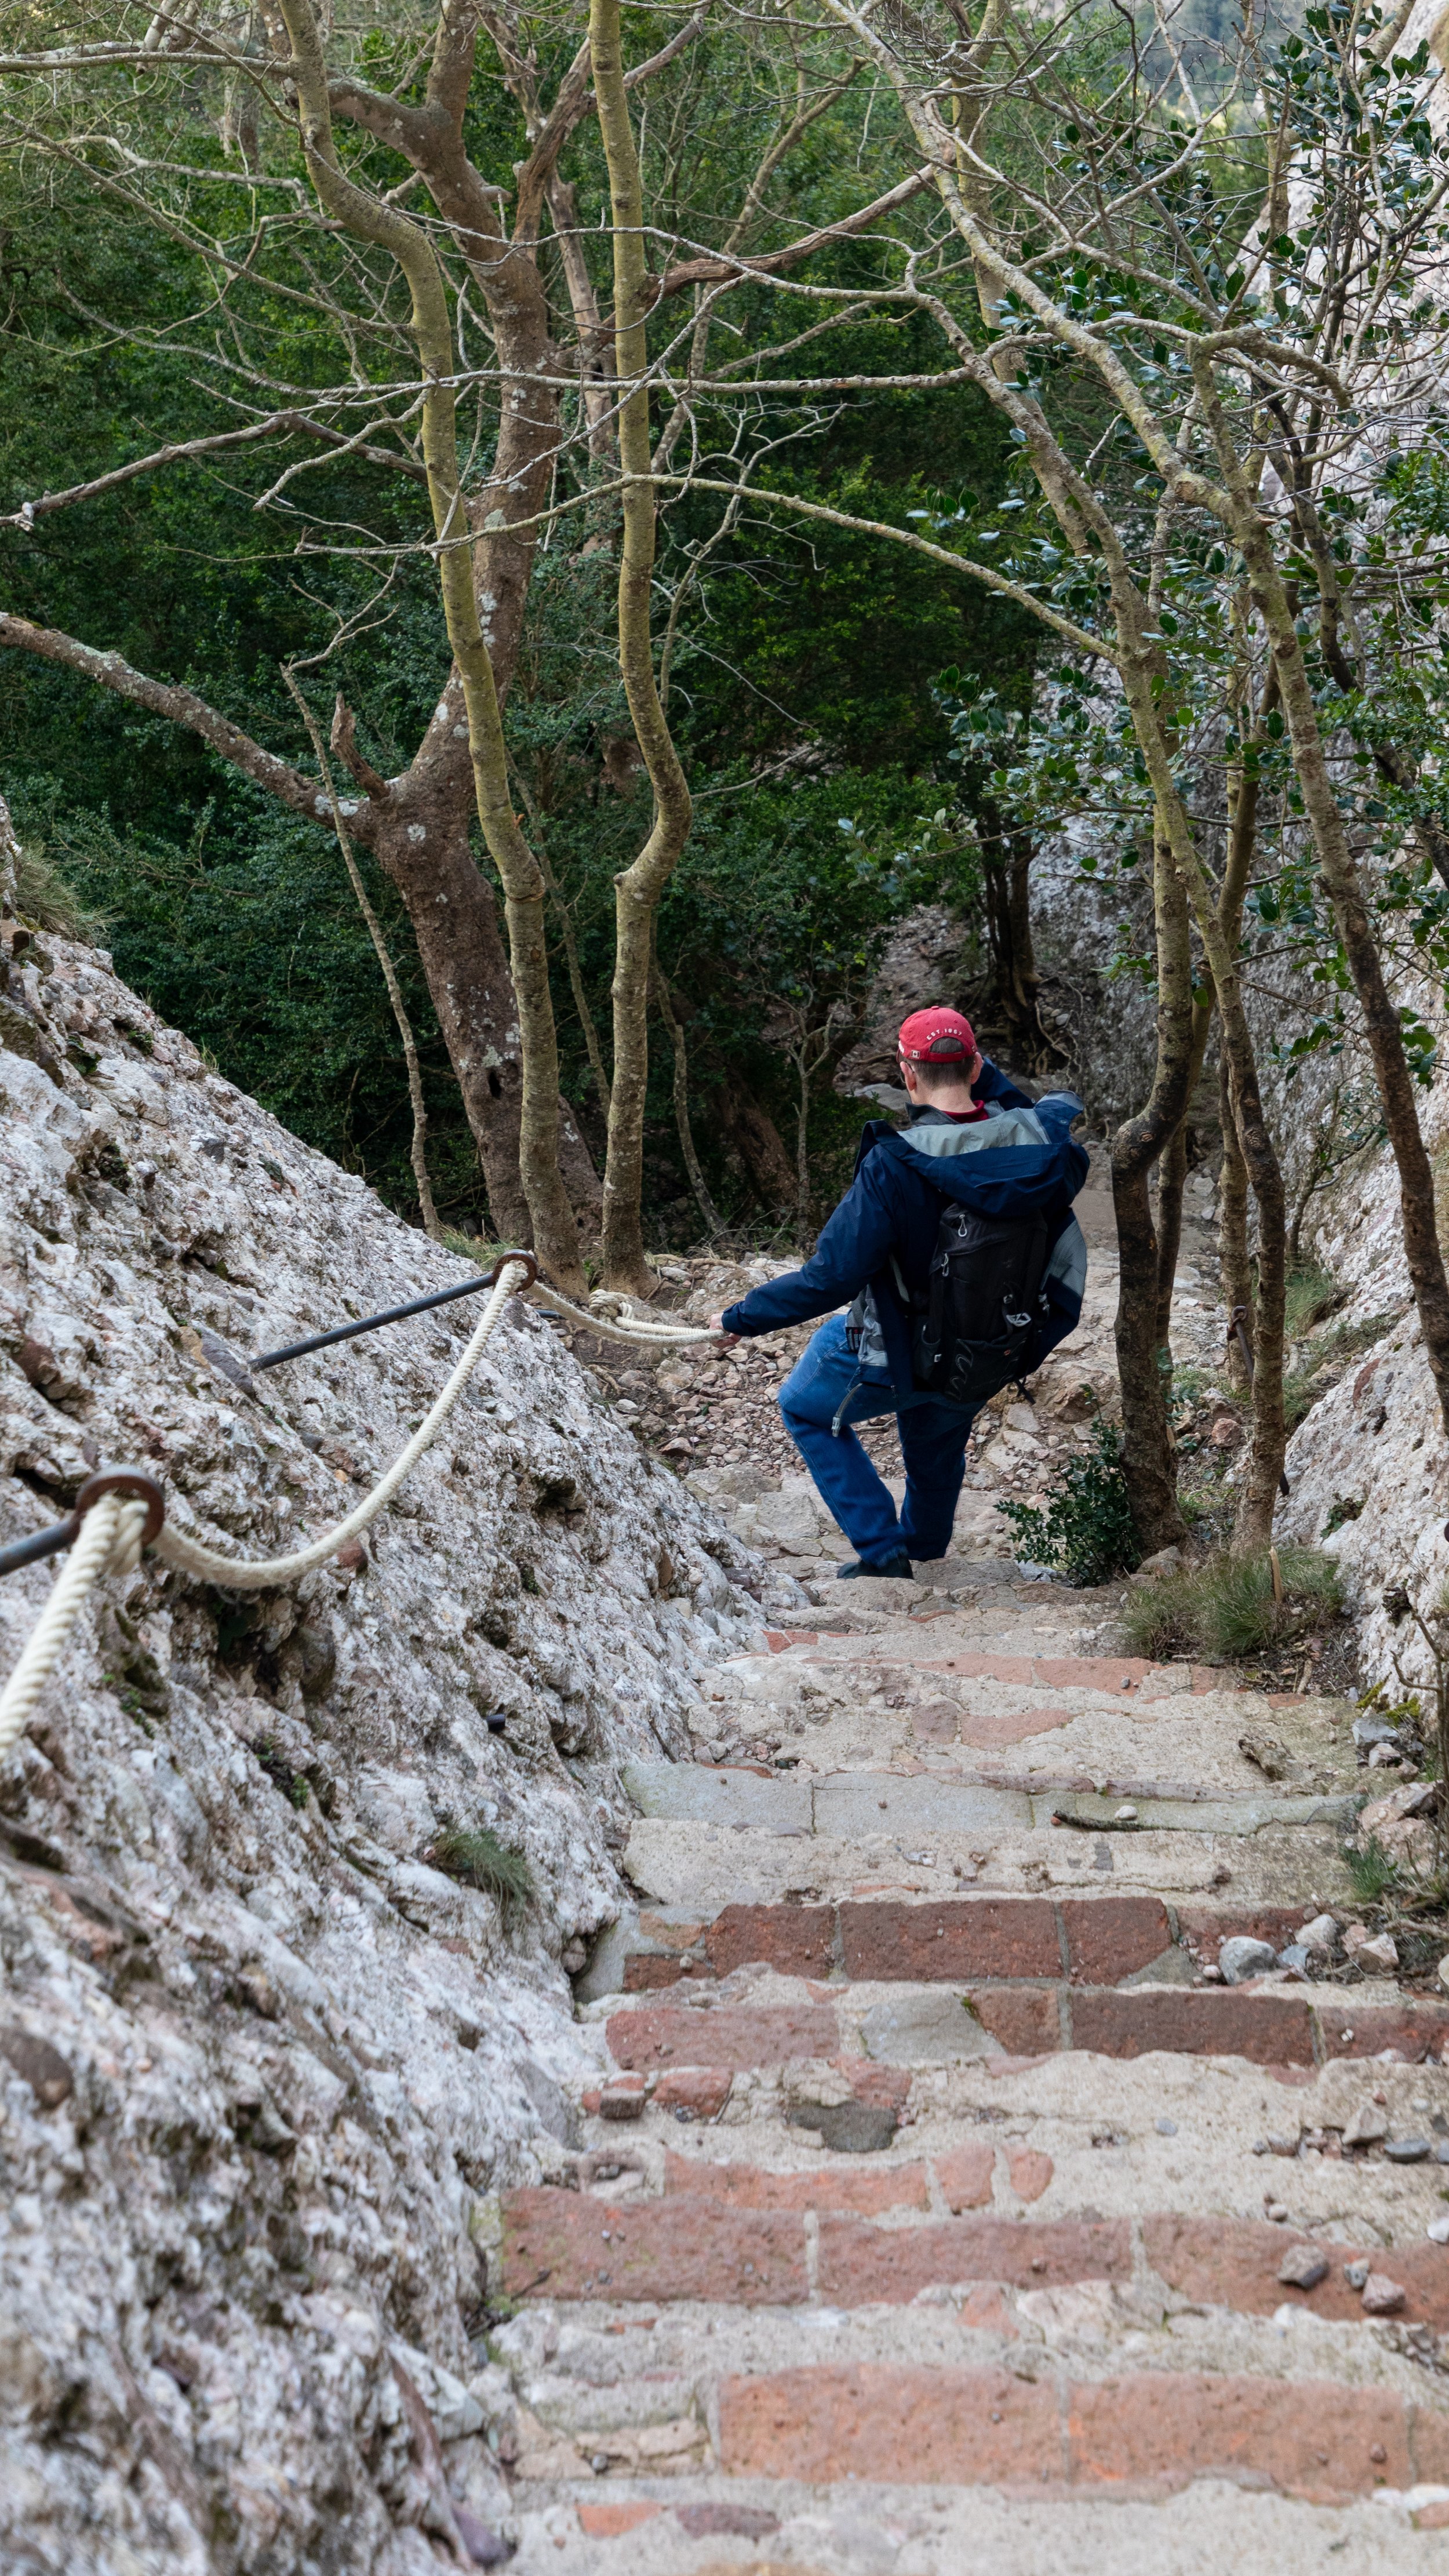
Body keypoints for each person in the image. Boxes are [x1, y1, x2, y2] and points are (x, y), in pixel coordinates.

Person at [708, 1007, 1088, 1580]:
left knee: (804, 1408)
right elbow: (1015, 1108)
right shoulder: (1041, 1148)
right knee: (938, 1434)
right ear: (978, 1065)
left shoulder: (894, 1163)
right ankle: (927, 1556)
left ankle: (884, 1555)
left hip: (894, 1351)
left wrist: (744, 1316)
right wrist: (1017, 1348)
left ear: (906, 1073)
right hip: (985, 1346)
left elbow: (831, 1277)